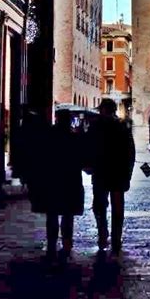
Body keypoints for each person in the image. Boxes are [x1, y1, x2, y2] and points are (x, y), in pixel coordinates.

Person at [86, 98, 135, 255]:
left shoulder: (95, 126)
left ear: (104, 110)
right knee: (117, 208)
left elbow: (89, 148)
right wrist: (128, 174)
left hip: (101, 173)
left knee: (100, 206)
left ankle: (103, 233)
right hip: (118, 174)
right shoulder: (123, 126)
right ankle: (115, 238)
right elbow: (130, 153)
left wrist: (89, 166)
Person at [44, 109, 85, 262]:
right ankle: (67, 245)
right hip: (70, 180)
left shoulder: (48, 137)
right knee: (68, 214)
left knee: (52, 213)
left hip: (52, 180)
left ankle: (51, 245)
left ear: (56, 119)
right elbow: (82, 159)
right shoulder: (74, 138)